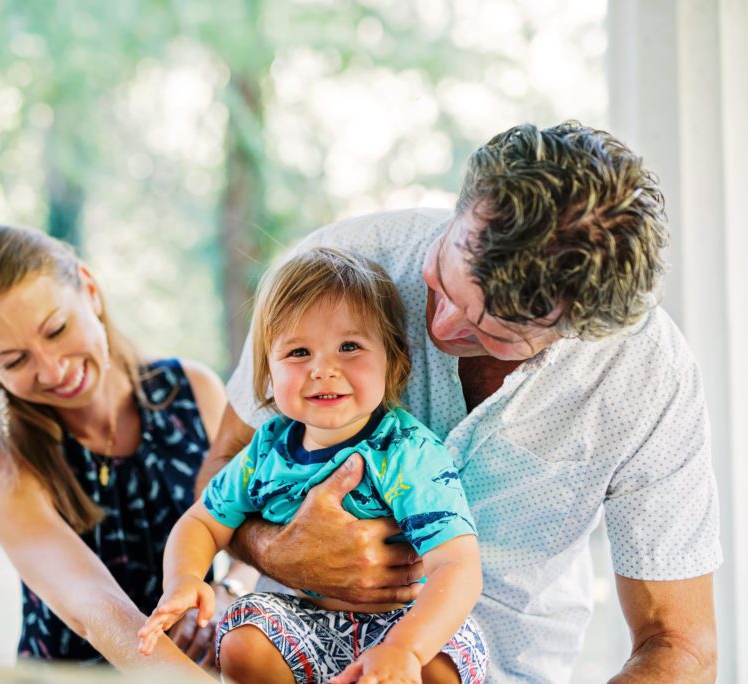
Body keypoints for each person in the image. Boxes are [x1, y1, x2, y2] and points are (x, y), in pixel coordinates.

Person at [197, 121, 721, 683]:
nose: (442, 327)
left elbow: (679, 644)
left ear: (578, 330)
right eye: (443, 279)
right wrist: (275, 550)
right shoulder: (334, 273)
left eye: (491, 333)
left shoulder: (644, 374)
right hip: (302, 654)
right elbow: (222, 466)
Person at [138, 247, 488, 684]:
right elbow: (202, 523)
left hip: (405, 623)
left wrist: (405, 649)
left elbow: (457, 566)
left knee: (444, 660)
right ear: (268, 373)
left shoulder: (407, 450)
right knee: (242, 637)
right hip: (306, 625)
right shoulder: (266, 450)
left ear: (393, 360)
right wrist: (184, 579)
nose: (323, 369)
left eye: (349, 346)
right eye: (299, 352)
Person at [0, 225, 244, 674]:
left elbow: (253, 524)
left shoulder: (194, 391)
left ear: (89, 289)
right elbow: (96, 609)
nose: (53, 370)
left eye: (56, 330)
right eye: (14, 361)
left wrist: (229, 592)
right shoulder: (4, 469)